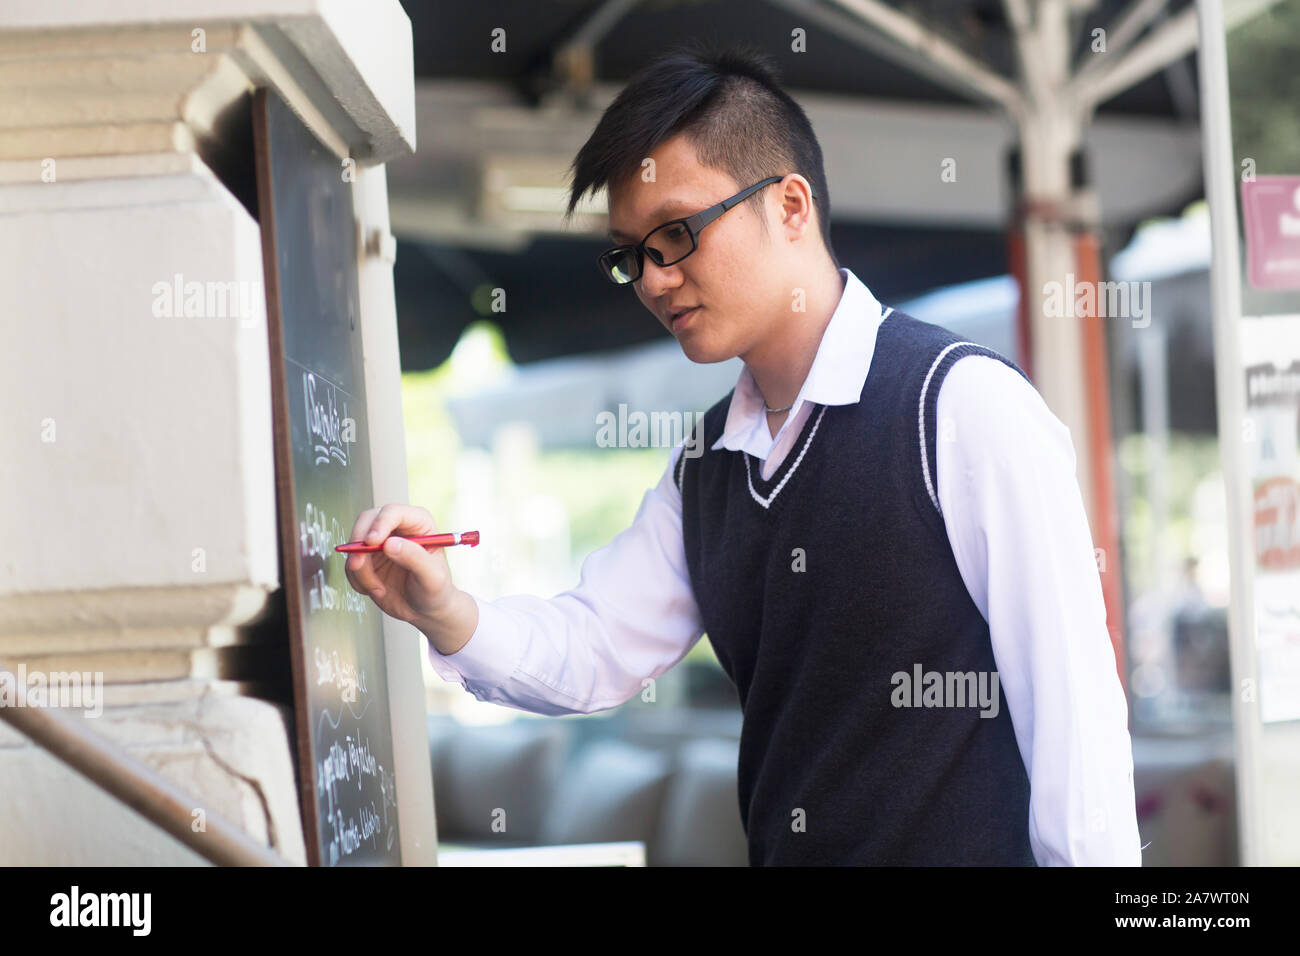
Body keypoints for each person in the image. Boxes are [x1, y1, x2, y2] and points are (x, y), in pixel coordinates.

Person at [344, 43, 1141, 866]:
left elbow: (1075, 721)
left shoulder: (960, 406)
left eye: (677, 234)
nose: (653, 280)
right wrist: (443, 609)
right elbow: (593, 650)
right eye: (631, 255)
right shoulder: (707, 468)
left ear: (791, 206)